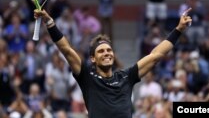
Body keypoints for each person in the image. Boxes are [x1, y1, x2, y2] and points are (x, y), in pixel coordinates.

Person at [33, 7, 192, 118]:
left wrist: (178, 30)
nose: (107, 53)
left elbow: (156, 55)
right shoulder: (87, 77)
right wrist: (49, 22)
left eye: (109, 50)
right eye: (101, 51)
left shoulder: (126, 76)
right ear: (93, 59)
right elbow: (66, 50)